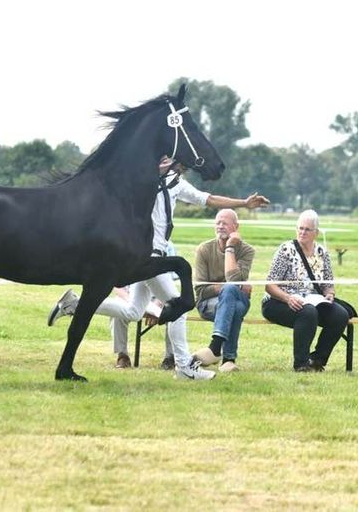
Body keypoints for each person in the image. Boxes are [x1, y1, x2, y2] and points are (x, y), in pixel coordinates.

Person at [49, 156, 270, 380]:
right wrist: (159, 167)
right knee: (179, 307)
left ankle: (74, 304)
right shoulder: (145, 178)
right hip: (148, 256)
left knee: (133, 312)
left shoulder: (176, 182)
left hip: (153, 256)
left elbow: (209, 199)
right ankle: (184, 367)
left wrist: (244, 203)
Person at [261, 209, 350, 372]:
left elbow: (328, 283)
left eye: (307, 229)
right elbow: (270, 285)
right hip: (278, 301)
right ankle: (301, 364)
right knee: (308, 312)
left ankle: (317, 360)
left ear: (316, 233)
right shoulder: (286, 250)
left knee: (341, 315)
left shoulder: (322, 252)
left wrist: (329, 294)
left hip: (313, 300)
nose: (302, 232)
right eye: (300, 228)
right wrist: (288, 298)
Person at [192, 209, 255, 373]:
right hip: (208, 303)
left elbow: (233, 278)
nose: (220, 226)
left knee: (231, 291)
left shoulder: (247, 251)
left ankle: (215, 347)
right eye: (218, 223)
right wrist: (233, 286)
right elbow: (200, 290)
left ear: (236, 227)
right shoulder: (204, 249)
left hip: (236, 299)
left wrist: (230, 248)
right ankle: (228, 359)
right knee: (235, 307)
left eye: (225, 223)